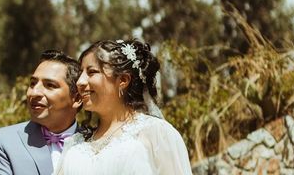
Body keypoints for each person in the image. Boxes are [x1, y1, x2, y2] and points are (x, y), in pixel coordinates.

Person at [54, 39, 192, 175]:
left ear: (123, 80)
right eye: (80, 74)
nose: (80, 82)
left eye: (92, 72)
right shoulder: (74, 143)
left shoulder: (156, 133)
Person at [0, 49, 82, 175]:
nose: (34, 93)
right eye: (32, 84)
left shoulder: (98, 144)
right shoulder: (3, 142)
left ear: (76, 98)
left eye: (50, 85)